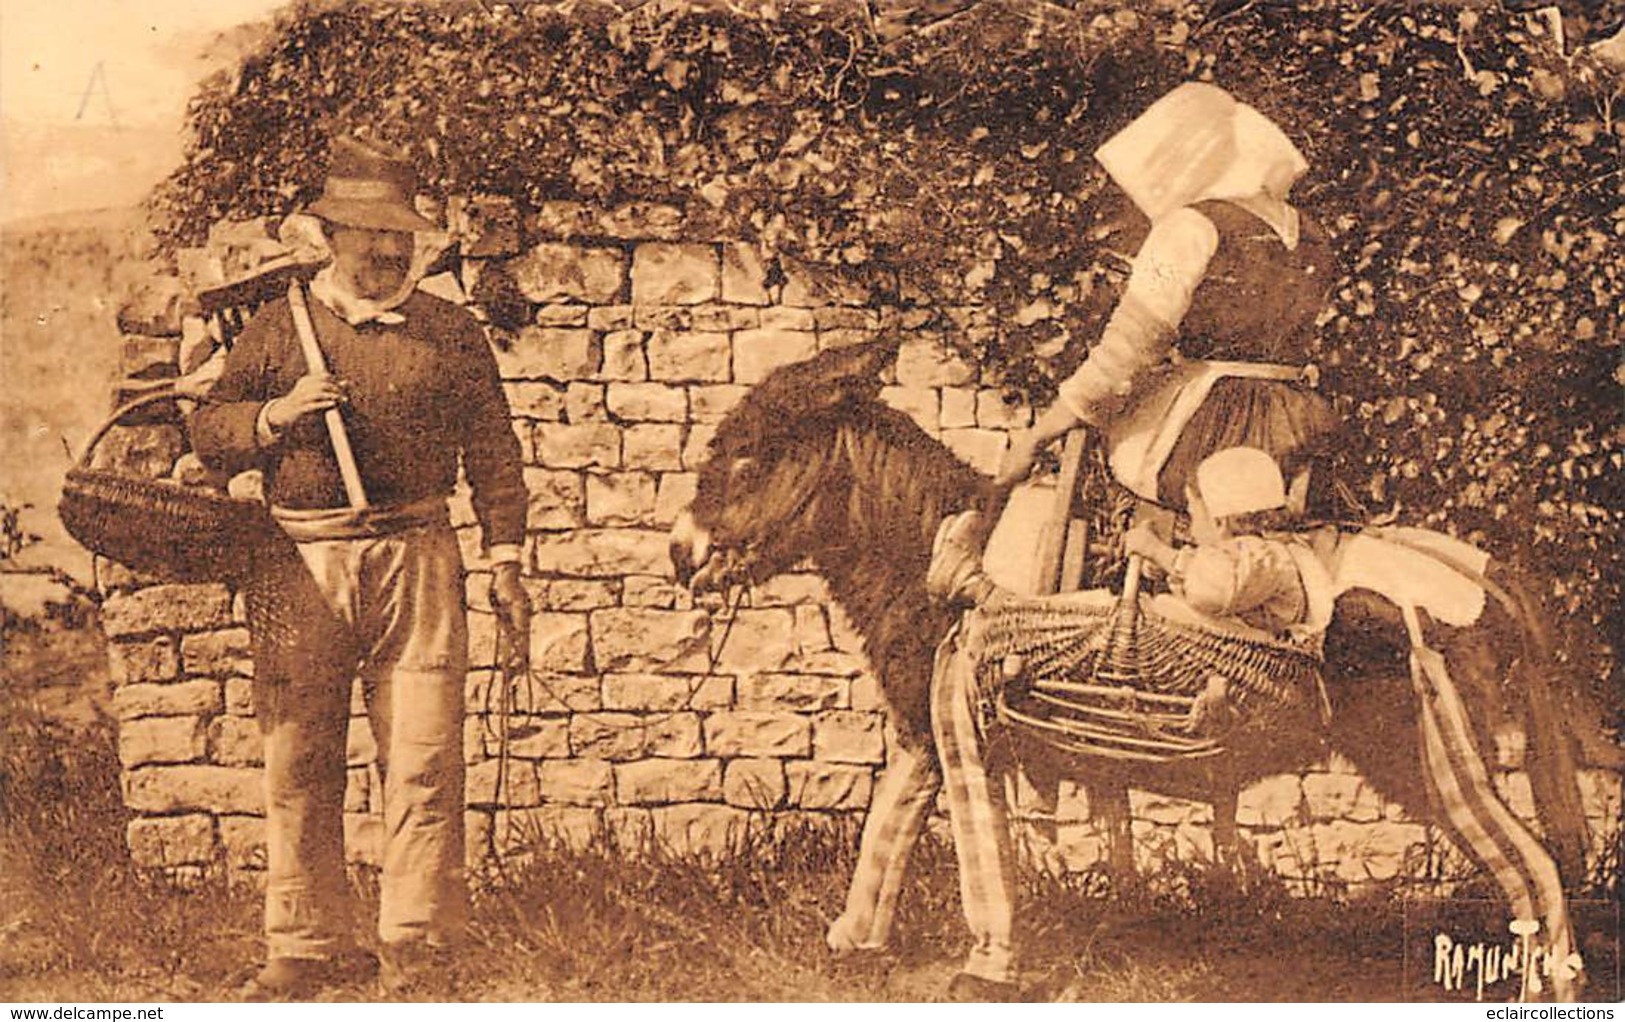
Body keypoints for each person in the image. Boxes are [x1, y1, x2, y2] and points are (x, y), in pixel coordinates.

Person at [191, 136, 531, 1000]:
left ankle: (418, 942)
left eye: (401, 240)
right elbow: (210, 432)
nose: (386, 254)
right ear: (329, 236)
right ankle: (306, 943)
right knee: (298, 755)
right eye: (368, 237)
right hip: (300, 563)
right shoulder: (280, 327)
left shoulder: (448, 332)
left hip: (420, 556)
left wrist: (506, 554)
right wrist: (274, 415)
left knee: (422, 755)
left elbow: (493, 446)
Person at [1125, 445, 1318, 638]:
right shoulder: (1244, 556)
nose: (1191, 528)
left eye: (1193, 514)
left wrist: (1159, 552)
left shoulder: (1264, 557)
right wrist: (1165, 566)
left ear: (1219, 522)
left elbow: (1213, 591)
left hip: (1246, 656)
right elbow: (1216, 574)